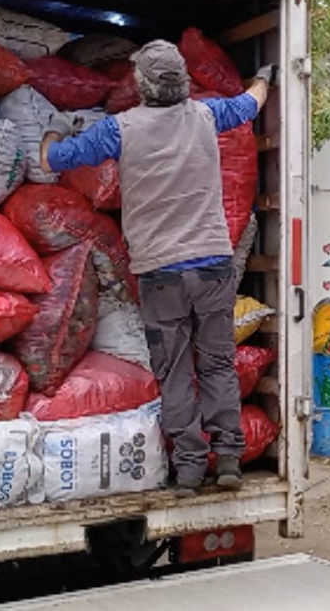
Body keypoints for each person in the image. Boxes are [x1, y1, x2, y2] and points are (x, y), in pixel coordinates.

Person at [40, 40, 276, 498]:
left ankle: (188, 468)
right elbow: (250, 104)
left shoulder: (120, 129)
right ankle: (228, 458)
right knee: (217, 363)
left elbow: (54, 160)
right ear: (185, 82)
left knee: (173, 371)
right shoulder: (207, 116)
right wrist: (264, 76)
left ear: (142, 85)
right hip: (212, 266)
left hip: (160, 273)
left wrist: (52, 129)